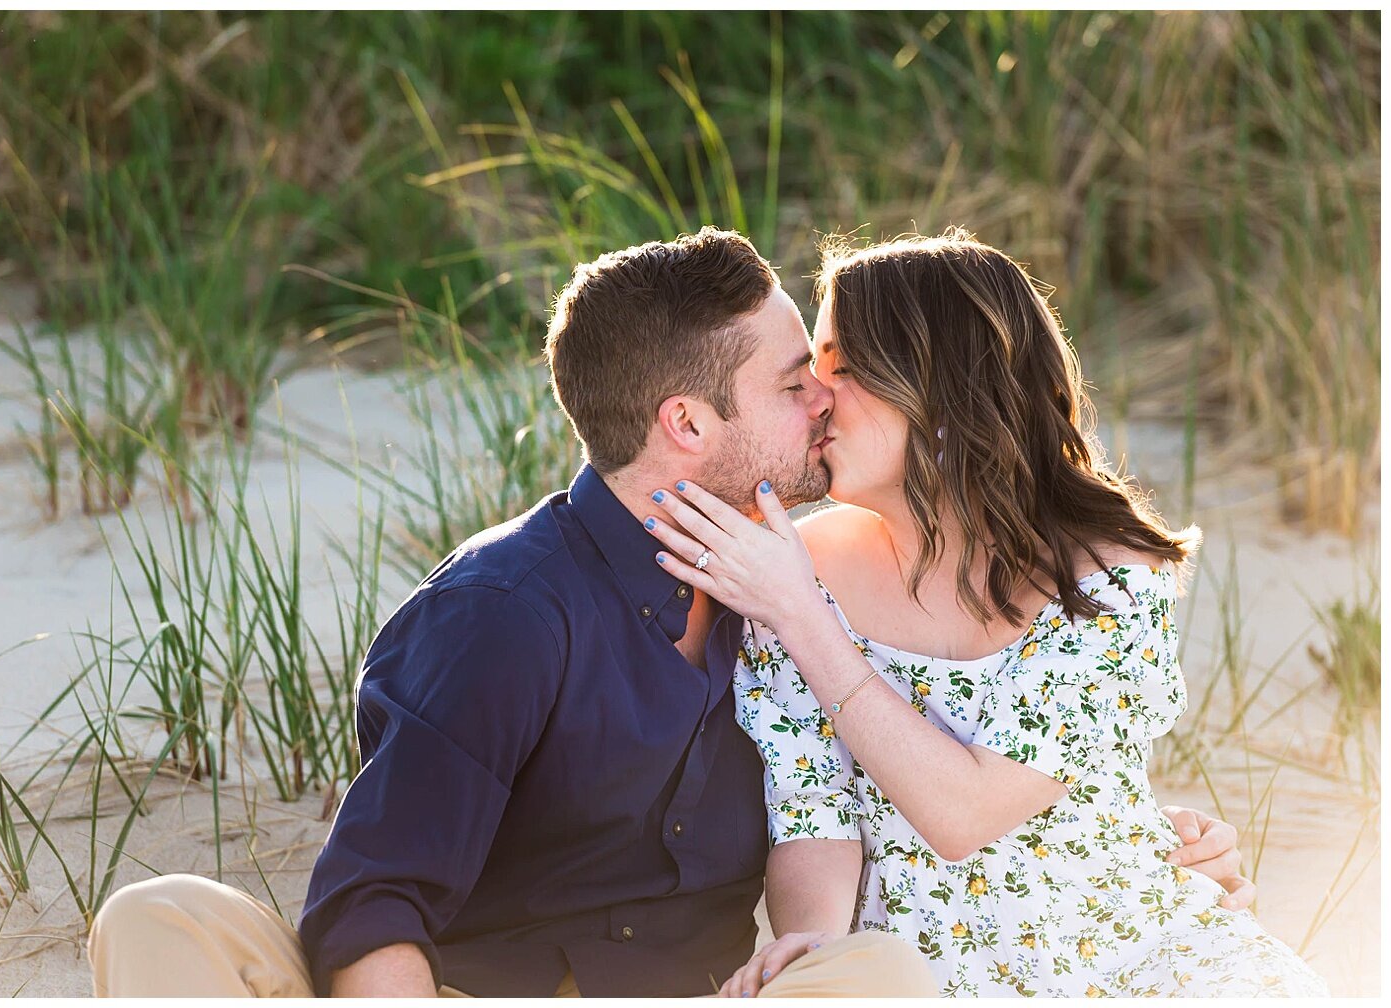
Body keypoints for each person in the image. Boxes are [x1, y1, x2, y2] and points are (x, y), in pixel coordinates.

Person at [87, 228, 1248, 998]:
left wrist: (1131, 818)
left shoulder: (786, 589)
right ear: (687, 426)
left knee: (873, 980)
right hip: (467, 991)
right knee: (162, 918)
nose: (822, 402)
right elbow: (372, 895)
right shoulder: (507, 613)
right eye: (798, 383)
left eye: (828, 377)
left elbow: (970, 739)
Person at [640, 230, 1329, 997]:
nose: (819, 397)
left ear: (940, 386)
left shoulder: (1109, 583)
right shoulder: (799, 575)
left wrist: (806, 621)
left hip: (1135, 960)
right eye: (812, 370)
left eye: (845, 368)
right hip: (924, 979)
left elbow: (963, 812)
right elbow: (813, 812)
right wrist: (820, 953)